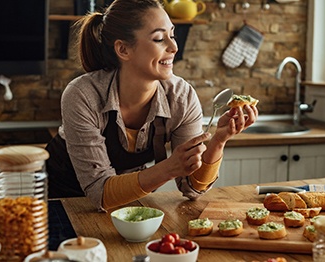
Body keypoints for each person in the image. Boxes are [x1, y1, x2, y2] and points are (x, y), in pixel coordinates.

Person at [45, 0, 258, 212]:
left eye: (172, 35)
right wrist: (168, 168)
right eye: (159, 38)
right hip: (66, 204)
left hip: (130, 203)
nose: (174, 47)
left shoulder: (181, 97)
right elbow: (99, 192)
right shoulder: (83, 95)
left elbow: (192, 188)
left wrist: (218, 141)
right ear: (123, 49)